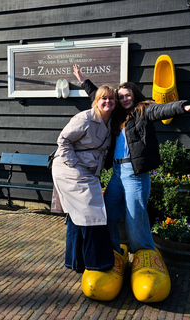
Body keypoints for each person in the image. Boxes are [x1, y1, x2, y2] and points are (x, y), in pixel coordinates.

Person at [73, 64, 190, 302]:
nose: (123, 98)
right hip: (116, 171)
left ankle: (144, 255)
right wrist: (83, 80)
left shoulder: (142, 111)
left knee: (135, 213)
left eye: (127, 95)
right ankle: (114, 252)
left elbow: (163, 110)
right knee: (109, 212)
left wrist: (186, 106)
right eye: (120, 96)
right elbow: (98, 96)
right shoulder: (117, 115)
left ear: (134, 95)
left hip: (134, 172)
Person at [50, 84, 121, 275]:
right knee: (92, 211)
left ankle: (76, 261)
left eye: (111, 98)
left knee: (77, 215)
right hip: (69, 168)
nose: (107, 101)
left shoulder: (109, 121)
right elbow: (63, 140)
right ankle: (98, 263)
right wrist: (75, 165)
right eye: (103, 98)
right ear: (96, 102)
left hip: (88, 171)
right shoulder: (84, 118)